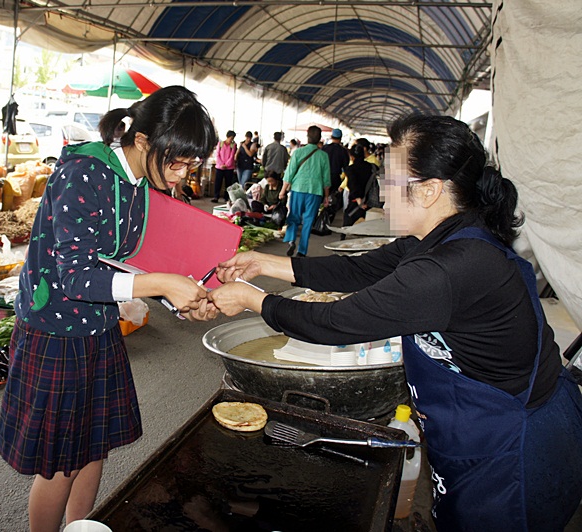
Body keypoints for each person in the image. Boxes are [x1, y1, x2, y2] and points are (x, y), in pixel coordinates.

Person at [208, 114, 582, 531]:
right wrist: (263, 263)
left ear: (429, 190)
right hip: (483, 428)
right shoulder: (444, 236)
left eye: (390, 178)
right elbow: (357, 271)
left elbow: (332, 322)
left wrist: (250, 298)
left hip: (515, 445)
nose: (381, 190)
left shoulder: (449, 269)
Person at [0, 85, 219, 532]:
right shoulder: (84, 172)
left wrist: (187, 296)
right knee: (61, 462)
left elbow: (132, 260)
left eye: (190, 164)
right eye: (175, 161)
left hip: (98, 324)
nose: (181, 175)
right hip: (55, 329)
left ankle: (82, 526)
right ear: (141, 141)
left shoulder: (140, 181)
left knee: (94, 445)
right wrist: (161, 284)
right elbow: (74, 278)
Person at [278, 125, 331, 257]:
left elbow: (289, 174)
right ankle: (302, 251)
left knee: (294, 216)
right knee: (308, 221)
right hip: (315, 191)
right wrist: (326, 196)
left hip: (298, 189)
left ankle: (291, 240)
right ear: (319, 139)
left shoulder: (298, 152)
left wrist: (282, 191)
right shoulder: (323, 156)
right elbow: (326, 179)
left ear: (307, 137)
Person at [341, 143, 375, 226]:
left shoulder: (350, 169)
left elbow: (353, 184)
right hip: (370, 200)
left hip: (356, 201)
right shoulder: (372, 167)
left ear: (352, 157)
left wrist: (358, 199)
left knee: (349, 221)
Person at [321, 128, 350, 193]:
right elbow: (346, 167)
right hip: (336, 179)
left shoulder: (324, 148)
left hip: (323, 177)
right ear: (341, 138)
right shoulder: (343, 151)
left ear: (331, 137)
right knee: (335, 198)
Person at [211, 130, 236, 203]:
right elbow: (217, 154)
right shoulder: (220, 144)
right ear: (227, 137)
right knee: (218, 182)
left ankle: (226, 197)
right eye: (231, 138)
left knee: (228, 183)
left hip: (229, 167)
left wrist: (227, 164)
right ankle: (216, 196)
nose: (231, 140)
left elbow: (232, 156)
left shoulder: (233, 145)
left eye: (233, 138)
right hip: (220, 166)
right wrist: (221, 164)